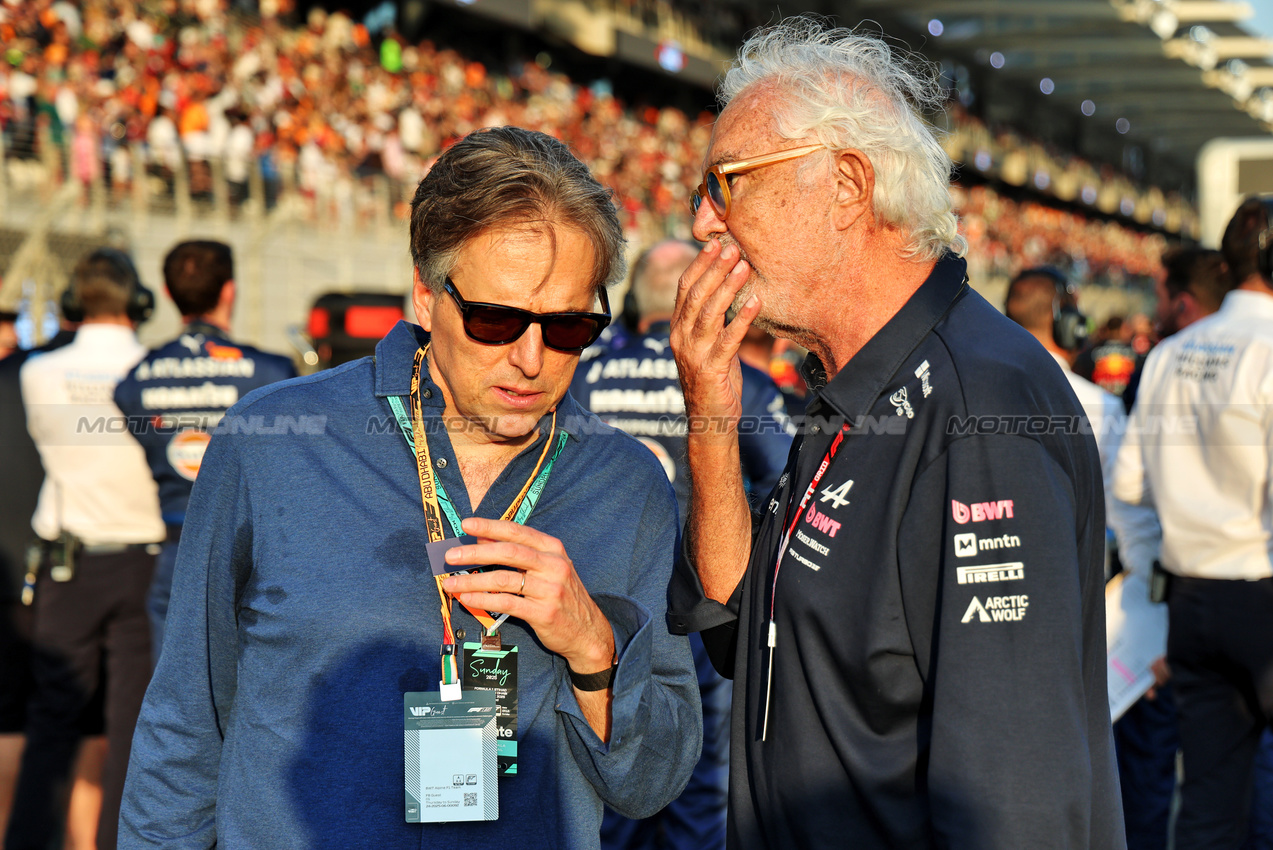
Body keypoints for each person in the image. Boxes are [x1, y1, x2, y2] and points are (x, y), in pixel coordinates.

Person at [119, 126, 701, 849]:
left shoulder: (627, 483)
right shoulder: (272, 439)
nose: (530, 359)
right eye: (495, 320)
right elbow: (185, 721)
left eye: (568, 328)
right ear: (426, 299)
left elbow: (652, 784)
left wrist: (594, 649)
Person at [666, 19, 1124, 848]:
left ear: (845, 184)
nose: (703, 223)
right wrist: (709, 413)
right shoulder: (853, 385)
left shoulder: (980, 405)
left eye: (725, 184)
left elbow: (1014, 796)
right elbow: (745, 637)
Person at [571, 239, 793, 850]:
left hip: (599, 610)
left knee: (611, 764)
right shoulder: (728, 377)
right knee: (700, 778)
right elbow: (787, 476)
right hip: (698, 604)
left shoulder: (579, 373)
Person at [1114, 197, 1273, 849]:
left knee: (1207, 803)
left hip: (1189, 598)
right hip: (1259, 589)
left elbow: (1128, 487)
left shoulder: (1170, 354)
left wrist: (1159, 576)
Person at [8, 249, 164, 850]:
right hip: (145, 561)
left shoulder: (36, 372)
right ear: (139, 304)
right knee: (131, 724)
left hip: (70, 563)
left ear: (74, 304)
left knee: (52, 718)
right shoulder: (153, 368)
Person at [113, 240, 296, 663]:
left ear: (166, 291)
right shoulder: (271, 372)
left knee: (178, 697)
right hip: (258, 556)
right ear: (229, 291)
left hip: (176, 551)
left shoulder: (136, 379)